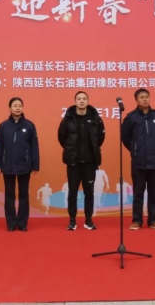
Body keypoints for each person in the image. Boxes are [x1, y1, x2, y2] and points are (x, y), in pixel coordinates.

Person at [57, 91, 105, 230]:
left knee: (89, 192)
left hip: (90, 162)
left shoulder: (95, 119)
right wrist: (70, 150)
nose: (82, 101)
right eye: (79, 99)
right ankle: (72, 220)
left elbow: (100, 138)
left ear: (88, 101)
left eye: (84, 99)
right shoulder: (68, 119)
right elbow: (62, 137)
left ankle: (88, 220)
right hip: (74, 162)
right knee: (72, 192)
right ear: (75, 101)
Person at [120, 88, 155, 230]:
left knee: (154, 193)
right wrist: (135, 150)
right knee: (138, 193)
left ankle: (153, 220)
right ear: (136, 100)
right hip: (138, 161)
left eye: (147, 96)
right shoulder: (131, 118)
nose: (145, 99)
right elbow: (125, 137)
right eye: (142, 97)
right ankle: (137, 220)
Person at [0, 97, 40, 232]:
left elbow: (34, 146)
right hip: (7, 165)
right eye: (15, 106)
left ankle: (22, 223)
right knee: (9, 195)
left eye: (20, 105)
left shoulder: (29, 125)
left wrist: (35, 164)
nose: (17, 108)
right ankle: (11, 223)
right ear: (10, 108)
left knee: (23, 195)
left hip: (24, 165)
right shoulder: (4, 126)